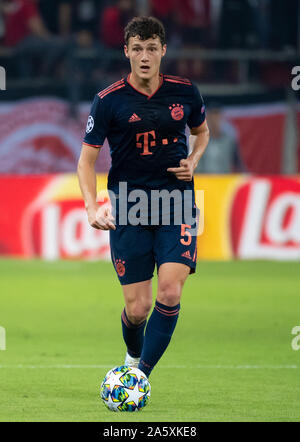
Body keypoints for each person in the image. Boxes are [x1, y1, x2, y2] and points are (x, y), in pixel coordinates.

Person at [77, 16, 209, 379]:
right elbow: (85, 162)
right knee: (138, 309)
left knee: (170, 291)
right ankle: (132, 355)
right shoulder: (108, 101)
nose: (145, 55)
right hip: (129, 207)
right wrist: (92, 207)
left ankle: (138, 376)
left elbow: (202, 132)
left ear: (163, 50)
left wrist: (194, 160)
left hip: (176, 203)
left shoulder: (186, 92)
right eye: (138, 48)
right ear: (127, 52)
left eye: (152, 48)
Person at [194, 102, 245, 174]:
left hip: (223, 182)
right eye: (211, 116)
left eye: (217, 116)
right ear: (207, 119)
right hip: (204, 182)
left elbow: (239, 165)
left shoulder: (229, 141)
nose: (214, 120)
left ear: (221, 118)